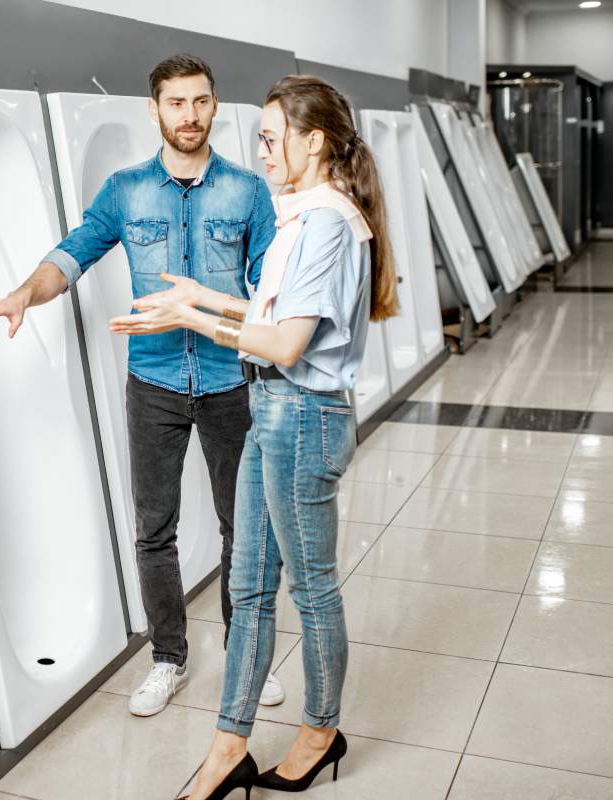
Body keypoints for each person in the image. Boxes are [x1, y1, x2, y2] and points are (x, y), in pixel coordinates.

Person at [0, 53, 281, 717]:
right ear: (155, 110)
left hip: (230, 380)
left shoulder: (249, 192)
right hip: (154, 384)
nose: (188, 115)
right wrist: (26, 293)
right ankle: (169, 659)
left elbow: (270, 293)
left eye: (199, 101)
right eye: (176, 103)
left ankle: (245, 654)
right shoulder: (125, 189)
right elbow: (73, 254)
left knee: (243, 527)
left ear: (214, 105)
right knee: (153, 530)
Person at [111, 75, 399, 798]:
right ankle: (227, 747)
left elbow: (286, 343)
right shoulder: (304, 213)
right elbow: (268, 310)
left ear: (314, 142)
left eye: (271, 138)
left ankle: (320, 731)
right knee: (249, 583)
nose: (261, 150)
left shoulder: (330, 222)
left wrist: (190, 320)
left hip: (302, 414)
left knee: (312, 591)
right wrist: (202, 295)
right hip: (272, 410)